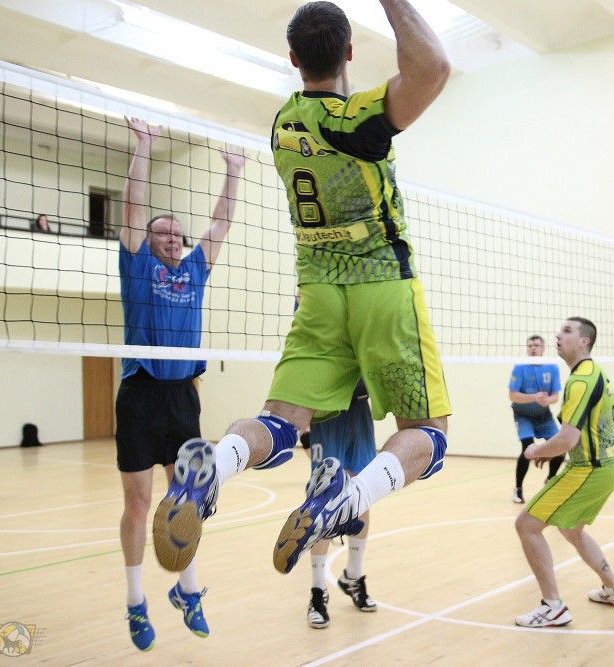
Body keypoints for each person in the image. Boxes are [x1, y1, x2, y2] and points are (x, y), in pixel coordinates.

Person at [152, 0, 452, 583]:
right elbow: (433, 67)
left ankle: (214, 463)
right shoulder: (355, 121)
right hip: (381, 286)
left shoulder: (284, 125)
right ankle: (346, 498)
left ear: (292, 59)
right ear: (349, 52)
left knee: (281, 422)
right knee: (429, 435)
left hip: (316, 291)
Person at [116, 115, 244, 651]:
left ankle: (187, 592)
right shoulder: (137, 266)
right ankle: (135, 601)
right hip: (140, 393)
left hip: (182, 397)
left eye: (176, 234)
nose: (170, 238)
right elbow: (133, 207)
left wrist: (233, 171)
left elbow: (221, 223)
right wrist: (144, 146)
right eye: (161, 233)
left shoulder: (194, 271)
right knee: (139, 502)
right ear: (147, 241)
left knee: (185, 501)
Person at [514, 318, 614, 628]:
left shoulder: (580, 381)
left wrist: (536, 450)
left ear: (584, 341)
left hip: (590, 469)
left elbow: (567, 439)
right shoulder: (593, 372)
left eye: (567, 331)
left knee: (526, 525)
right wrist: (551, 449)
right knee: (572, 530)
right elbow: (576, 433)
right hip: (610, 466)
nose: (558, 335)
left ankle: (553, 606)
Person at [301, 379, 378, 629]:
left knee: (362, 493)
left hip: (359, 410)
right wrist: (303, 429)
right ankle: (318, 590)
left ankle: (353, 575)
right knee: (323, 498)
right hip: (326, 410)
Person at [509, 335, 562, 504]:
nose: (533, 348)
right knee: (527, 449)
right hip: (523, 415)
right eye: (530, 345)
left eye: (536, 345)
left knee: (560, 448)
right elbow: (512, 396)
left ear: (543, 349)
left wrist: (547, 400)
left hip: (544, 416)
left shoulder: (552, 367)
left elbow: (555, 397)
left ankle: (550, 480)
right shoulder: (520, 367)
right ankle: (518, 488)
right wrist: (534, 397)